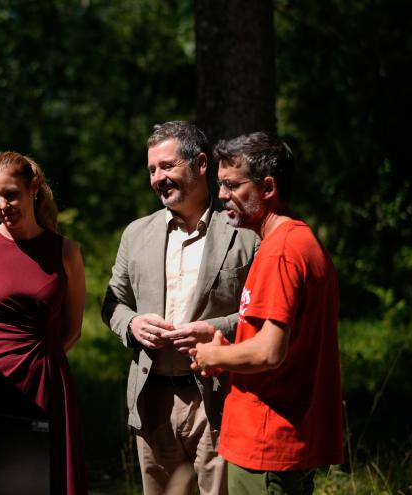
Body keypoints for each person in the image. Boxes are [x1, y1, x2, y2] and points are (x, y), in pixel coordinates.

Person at [102, 121, 258, 495]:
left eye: (168, 166)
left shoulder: (246, 234)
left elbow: (262, 315)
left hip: (218, 399)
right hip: (151, 398)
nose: (158, 177)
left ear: (201, 164)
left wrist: (216, 328)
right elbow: (112, 302)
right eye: (153, 169)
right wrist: (132, 324)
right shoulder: (136, 233)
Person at [191, 132, 343, 494]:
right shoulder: (300, 240)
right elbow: (286, 342)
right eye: (219, 185)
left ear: (268, 187)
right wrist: (228, 346)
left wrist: (215, 354)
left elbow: (269, 351)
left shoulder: (281, 251)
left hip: (268, 444)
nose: (222, 195)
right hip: (287, 441)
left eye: (231, 185)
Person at [0, 151, 87, 494]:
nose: (3, 205)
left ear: (33, 187)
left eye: (10, 194)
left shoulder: (66, 251)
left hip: (48, 385)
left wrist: (44, 360)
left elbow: (73, 329)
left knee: (48, 478)